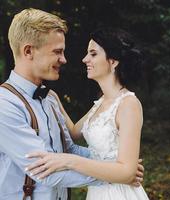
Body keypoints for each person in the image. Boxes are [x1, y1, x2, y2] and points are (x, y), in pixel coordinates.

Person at [0, 9, 143, 200]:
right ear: (28, 51)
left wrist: (118, 165)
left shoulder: (50, 99)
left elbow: (68, 149)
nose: (64, 59)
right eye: (57, 52)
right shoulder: (5, 104)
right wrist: (116, 176)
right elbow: (46, 172)